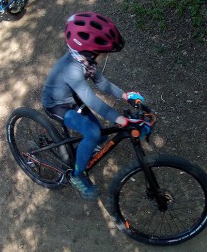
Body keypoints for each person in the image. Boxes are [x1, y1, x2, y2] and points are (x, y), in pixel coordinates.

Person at [42, 12, 146, 200]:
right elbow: (93, 101)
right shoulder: (73, 69)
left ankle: (84, 151)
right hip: (58, 105)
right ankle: (77, 175)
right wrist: (121, 119)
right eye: (104, 53)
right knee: (93, 133)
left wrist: (125, 95)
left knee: (97, 134)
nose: (106, 56)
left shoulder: (87, 61)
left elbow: (103, 84)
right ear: (90, 52)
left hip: (72, 98)